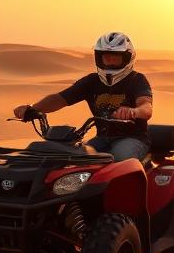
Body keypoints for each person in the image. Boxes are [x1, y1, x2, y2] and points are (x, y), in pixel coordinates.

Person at [13, 32, 153, 161]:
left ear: (128, 58)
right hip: (102, 138)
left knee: (118, 159)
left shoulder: (137, 79)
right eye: (106, 57)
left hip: (133, 139)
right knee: (76, 158)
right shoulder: (92, 81)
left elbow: (146, 107)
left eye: (115, 58)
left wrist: (134, 112)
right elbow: (60, 98)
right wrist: (32, 108)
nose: (109, 62)